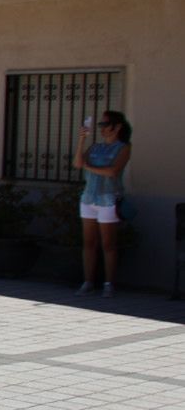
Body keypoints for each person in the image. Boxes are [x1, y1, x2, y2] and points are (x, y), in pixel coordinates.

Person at [73, 110, 132, 298]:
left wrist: (89, 167)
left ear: (117, 126)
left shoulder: (123, 147)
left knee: (108, 244)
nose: (102, 129)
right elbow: (77, 163)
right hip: (88, 198)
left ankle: (109, 283)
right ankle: (88, 281)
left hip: (108, 199)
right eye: (101, 125)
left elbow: (113, 171)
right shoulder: (95, 147)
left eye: (105, 125)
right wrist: (82, 140)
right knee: (88, 243)